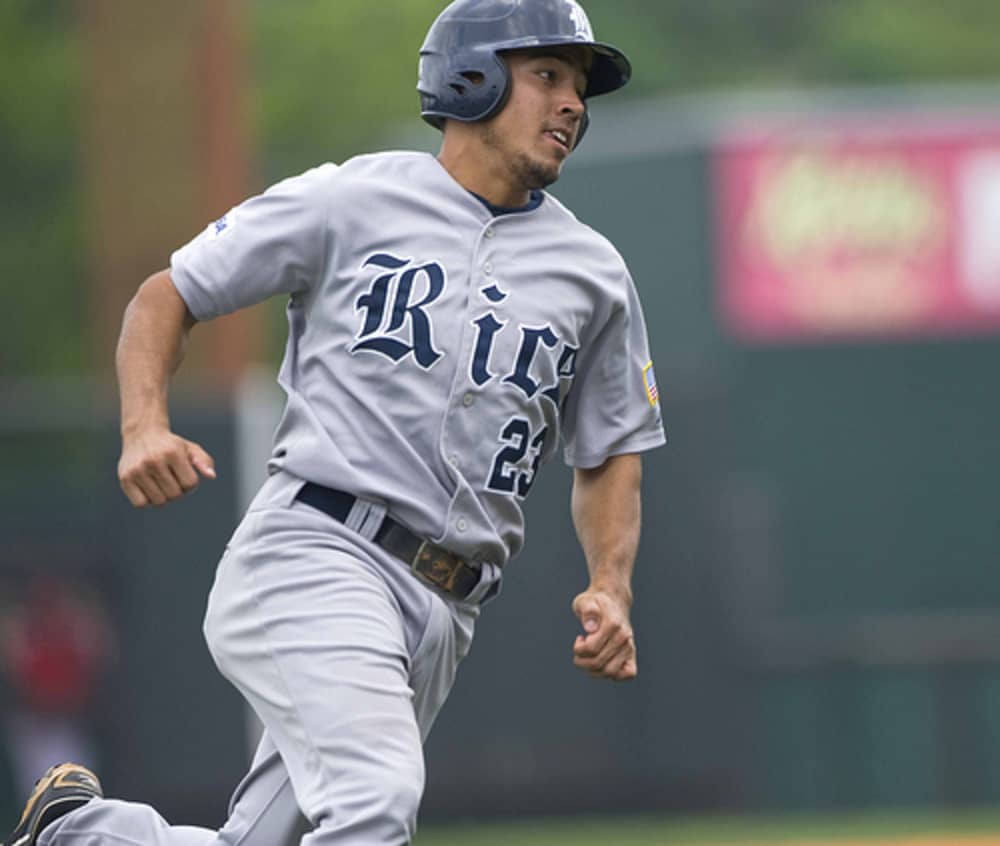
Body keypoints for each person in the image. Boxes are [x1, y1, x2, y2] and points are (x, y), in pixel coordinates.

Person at [4, 1, 665, 844]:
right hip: (319, 553)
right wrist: (144, 426)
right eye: (547, 76)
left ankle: (80, 834)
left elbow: (610, 451)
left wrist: (610, 581)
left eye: (580, 87)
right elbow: (165, 296)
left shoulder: (593, 273)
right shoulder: (351, 198)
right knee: (375, 805)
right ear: (472, 77)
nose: (573, 103)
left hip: (444, 610)